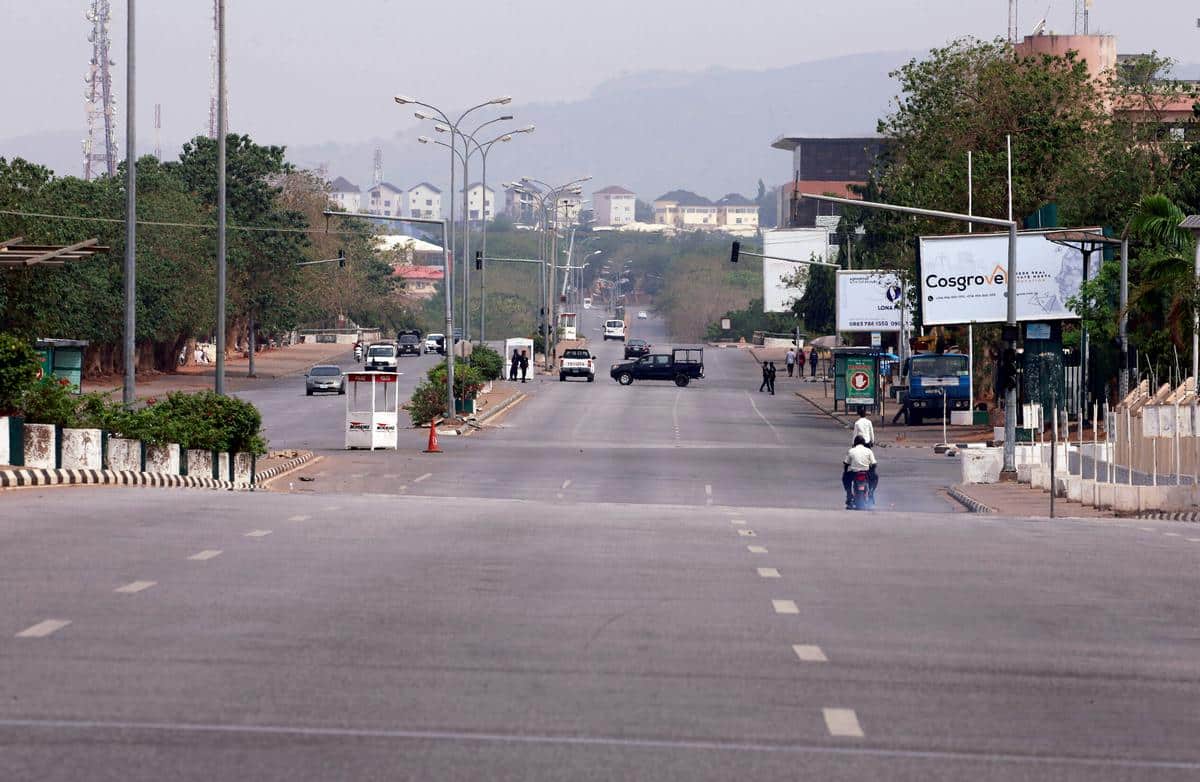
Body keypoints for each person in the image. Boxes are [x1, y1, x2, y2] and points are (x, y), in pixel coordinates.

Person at [842, 435, 878, 509]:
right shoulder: (869, 451)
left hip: (854, 473)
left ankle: (849, 495)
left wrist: (845, 472)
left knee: (845, 478)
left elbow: (846, 463)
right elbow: (874, 464)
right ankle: (871, 493)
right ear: (864, 443)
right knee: (875, 477)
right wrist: (872, 472)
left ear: (855, 443)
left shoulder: (851, 450)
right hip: (866, 473)